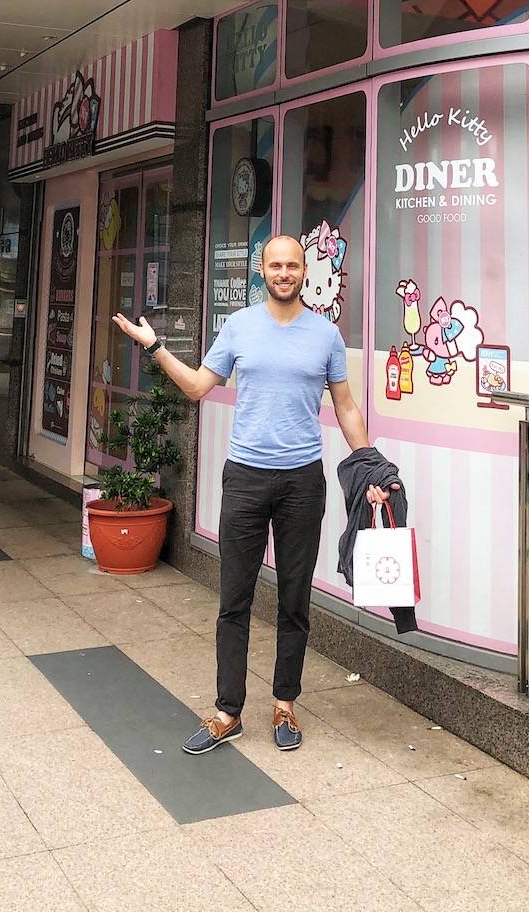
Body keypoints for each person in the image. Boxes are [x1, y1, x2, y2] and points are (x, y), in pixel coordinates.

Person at [113, 233, 390, 755]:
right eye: (275, 265)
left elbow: (347, 407)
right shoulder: (239, 326)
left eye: (293, 266)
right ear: (261, 271)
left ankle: (285, 705)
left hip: (302, 482)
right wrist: (154, 346)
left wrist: (368, 465)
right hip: (244, 477)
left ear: (305, 272)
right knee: (234, 599)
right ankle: (227, 712)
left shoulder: (326, 335)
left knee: (294, 599)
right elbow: (198, 386)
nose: (284, 273)